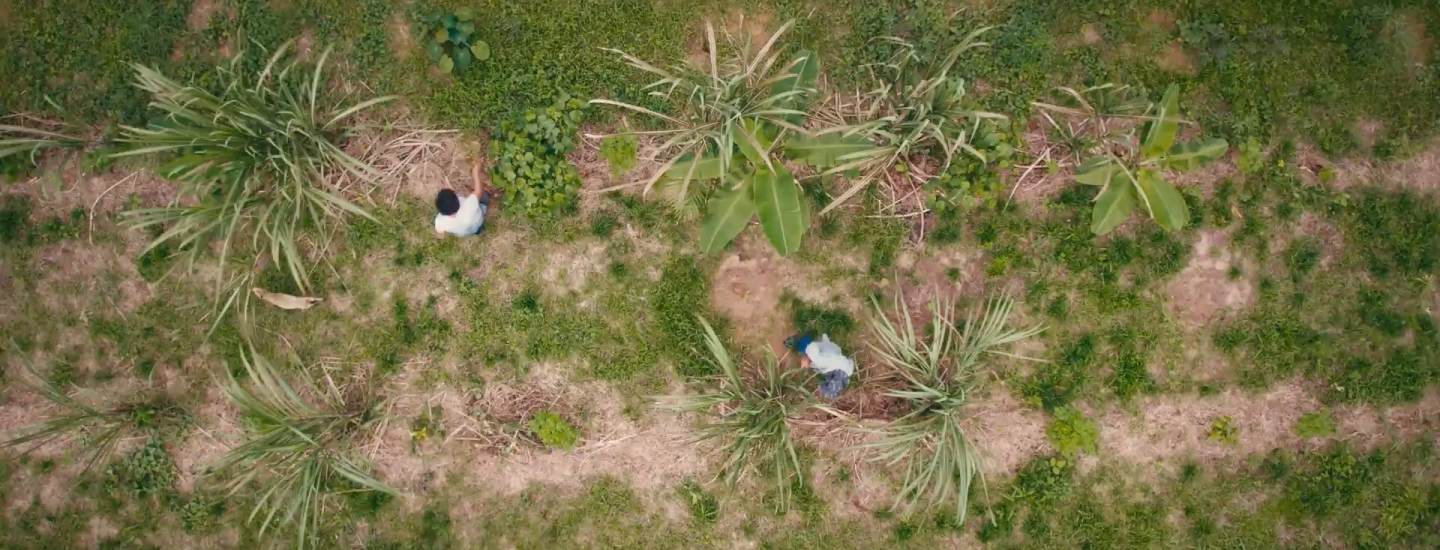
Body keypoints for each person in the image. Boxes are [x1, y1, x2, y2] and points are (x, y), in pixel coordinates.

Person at [786, 333, 854, 399]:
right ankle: (802, 341)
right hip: (828, 352)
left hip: (834, 353)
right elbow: (813, 353)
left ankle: (810, 340)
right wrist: (806, 357)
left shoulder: (844, 374)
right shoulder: (829, 365)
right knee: (815, 357)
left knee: (817, 364)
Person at [435, 162, 494, 238]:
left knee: (475, 230)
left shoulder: (440, 222)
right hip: (477, 220)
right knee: (485, 197)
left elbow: (440, 236)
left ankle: (479, 231)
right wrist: (475, 173)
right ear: (457, 199)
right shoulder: (469, 206)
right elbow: (478, 191)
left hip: (465, 231)